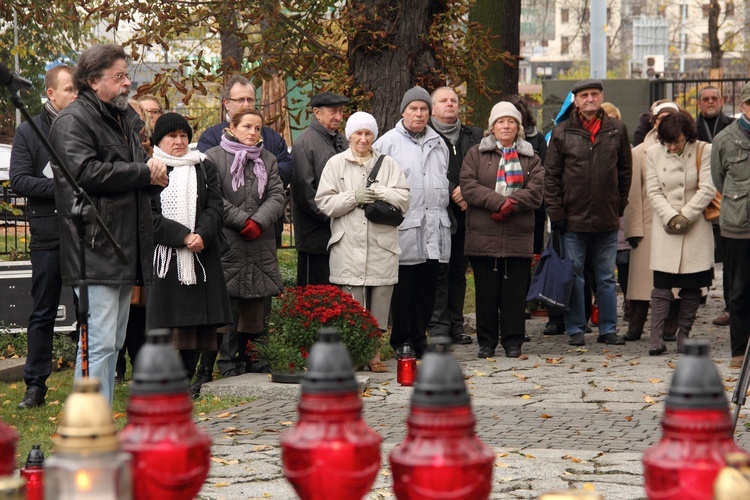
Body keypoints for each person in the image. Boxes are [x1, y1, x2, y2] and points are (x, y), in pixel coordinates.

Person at [49, 44, 169, 404]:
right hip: (94, 246)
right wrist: (142, 172)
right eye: (118, 76)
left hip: (122, 244)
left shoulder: (122, 119)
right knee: (98, 342)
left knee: (112, 342)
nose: (127, 83)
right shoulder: (74, 120)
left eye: (126, 75)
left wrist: (153, 176)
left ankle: (96, 418)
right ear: (92, 80)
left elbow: (133, 172)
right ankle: (89, 423)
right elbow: (83, 173)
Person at [194, 74, 292, 381]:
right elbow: (213, 198)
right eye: (246, 127)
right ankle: (225, 361)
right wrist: (242, 221)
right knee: (228, 302)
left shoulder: (268, 159)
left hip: (259, 241)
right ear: (232, 128)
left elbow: (278, 194)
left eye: (257, 128)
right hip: (228, 241)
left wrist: (259, 221)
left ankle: (256, 360)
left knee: (257, 303)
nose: (251, 133)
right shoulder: (213, 157)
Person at [315, 112, 409, 372]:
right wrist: (353, 197)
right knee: (351, 305)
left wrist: (380, 192)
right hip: (347, 245)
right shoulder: (335, 164)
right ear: (349, 135)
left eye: (368, 133)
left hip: (382, 245)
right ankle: (354, 354)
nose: (363, 138)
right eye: (358, 133)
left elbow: (404, 199)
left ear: (374, 136)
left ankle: (375, 354)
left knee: (379, 302)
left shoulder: (388, 164)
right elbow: (324, 203)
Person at [147, 113, 232, 392]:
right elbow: (149, 215)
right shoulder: (150, 169)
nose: (179, 141)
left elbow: (215, 207)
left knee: (197, 325)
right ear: (159, 140)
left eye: (184, 135)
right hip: (167, 258)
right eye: (172, 136)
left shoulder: (203, 166)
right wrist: (181, 236)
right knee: (170, 323)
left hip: (200, 255)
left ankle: (190, 377)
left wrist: (201, 234)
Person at [544, 78, 632, 347]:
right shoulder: (561, 132)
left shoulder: (616, 129)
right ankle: (575, 329)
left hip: (607, 217)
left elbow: (625, 171)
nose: (590, 99)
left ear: (601, 96)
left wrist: (619, 204)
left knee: (606, 277)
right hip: (573, 218)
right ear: (576, 100)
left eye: (594, 94)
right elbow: (551, 177)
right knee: (575, 274)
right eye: (584, 95)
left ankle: (607, 329)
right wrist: (557, 213)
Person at [10, 65, 77, 409]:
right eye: (69, 89)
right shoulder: (29, 131)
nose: (75, 95)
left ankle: (95, 376)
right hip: (48, 232)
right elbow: (19, 180)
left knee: (91, 307)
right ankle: (35, 386)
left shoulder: (87, 125)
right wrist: (63, 187)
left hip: (84, 230)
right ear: (51, 93)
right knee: (43, 310)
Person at [460, 102, 543, 358]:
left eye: (511, 122)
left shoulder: (531, 157)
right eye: (500, 122)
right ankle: (486, 343)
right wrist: (499, 202)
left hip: (518, 237)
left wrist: (512, 205)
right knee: (486, 294)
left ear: (518, 127)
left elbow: (538, 191)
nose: (505, 126)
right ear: (492, 127)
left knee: (514, 295)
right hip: (483, 236)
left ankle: (513, 341)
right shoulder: (476, 153)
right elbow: (468, 185)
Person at [373, 86, 450, 358]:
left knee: (428, 289)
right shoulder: (387, 143)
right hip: (405, 228)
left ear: (430, 113)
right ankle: (401, 339)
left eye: (424, 109)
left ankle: (420, 337)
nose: (418, 114)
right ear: (403, 111)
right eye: (413, 109)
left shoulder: (439, 143)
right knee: (404, 288)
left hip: (434, 229)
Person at [646, 111, 715, 356]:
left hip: (695, 226)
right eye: (668, 142)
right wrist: (671, 217)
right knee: (662, 286)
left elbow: (708, 187)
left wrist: (686, 215)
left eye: (677, 141)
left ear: (688, 135)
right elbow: (653, 191)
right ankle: (656, 337)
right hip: (666, 226)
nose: (673, 146)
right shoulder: (653, 153)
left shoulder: (703, 150)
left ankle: (683, 335)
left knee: (692, 285)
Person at [427, 87, 482, 345]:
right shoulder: (424, 136)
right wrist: (452, 192)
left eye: (453, 100)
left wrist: (467, 193)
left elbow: (484, 170)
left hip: (467, 215)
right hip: (438, 212)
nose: (449, 104)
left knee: (459, 271)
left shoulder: (475, 136)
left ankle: (457, 325)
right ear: (432, 107)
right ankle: (438, 325)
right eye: (443, 100)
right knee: (439, 271)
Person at [623, 101, 681, 342]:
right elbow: (633, 195)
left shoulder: (686, 149)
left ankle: (670, 328)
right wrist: (633, 229)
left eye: (671, 117)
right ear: (653, 122)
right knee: (640, 285)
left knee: (677, 285)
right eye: (660, 118)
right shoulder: (638, 153)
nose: (665, 122)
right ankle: (635, 327)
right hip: (647, 227)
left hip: (677, 226)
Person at [291, 91, 350, 286]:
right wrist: (335, 215)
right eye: (333, 111)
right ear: (317, 113)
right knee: (314, 298)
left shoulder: (342, 141)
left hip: (339, 233)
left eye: (341, 112)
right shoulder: (305, 143)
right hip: (314, 236)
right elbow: (305, 193)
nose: (339, 117)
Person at [710, 82, 750, 367]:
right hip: (739, 224)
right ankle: (739, 350)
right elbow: (718, 179)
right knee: (739, 290)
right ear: (743, 106)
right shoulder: (725, 139)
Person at [696, 85, 734, 327]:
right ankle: (697, 296)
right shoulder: (690, 128)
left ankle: (731, 307)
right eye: (705, 99)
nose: (710, 102)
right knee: (699, 254)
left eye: (714, 98)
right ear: (699, 103)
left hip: (728, 200)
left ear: (721, 100)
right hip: (699, 199)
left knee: (730, 258)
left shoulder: (732, 127)